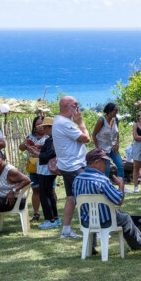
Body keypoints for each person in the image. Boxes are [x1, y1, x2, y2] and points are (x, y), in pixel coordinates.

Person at [73, 149, 141, 254]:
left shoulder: (77, 179)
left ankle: (91, 247)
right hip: (105, 221)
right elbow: (119, 201)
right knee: (126, 218)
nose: (106, 166)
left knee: (93, 214)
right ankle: (139, 243)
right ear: (96, 162)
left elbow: (77, 202)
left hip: (86, 220)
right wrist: (121, 185)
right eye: (104, 162)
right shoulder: (102, 180)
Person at [53, 96, 90, 239]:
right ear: (68, 106)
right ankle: (93, 230)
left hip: (67, 165)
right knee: (85, 198)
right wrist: (81, 123)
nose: (78, 108)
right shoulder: (65, 123)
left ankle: (66, 231)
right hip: (74, 166)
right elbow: (86, 138)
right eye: (76, 105)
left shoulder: (61, 121)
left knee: (71, 198)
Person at [19, 115, 47, 222]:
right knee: (36, 190)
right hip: (33, 167)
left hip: (46, 167)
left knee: (49, 190)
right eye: (38, 124)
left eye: (42, 124)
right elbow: (21, 148)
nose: (40, 127)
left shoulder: (49, 137)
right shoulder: (30, 136)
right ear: (34, 126)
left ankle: (51, 213)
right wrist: (25, 143)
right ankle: (36, 214)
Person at [92, 103, 125, 185]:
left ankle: (122, 185)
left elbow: (117, 133)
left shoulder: (115, 120)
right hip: (103, 148)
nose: (116, 112)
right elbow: (94, 134)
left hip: (113, 148)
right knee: (106, 168)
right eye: (115, 110)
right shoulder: (101, 120)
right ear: (109, 111)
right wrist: (98, 149)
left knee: (120, 165)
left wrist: (117, 144)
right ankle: (105, 186)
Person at [36, 117, 60, 229]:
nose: (43, 128)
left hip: (45, 171)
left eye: (45, 126)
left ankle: (50, 220)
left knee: (44, 195)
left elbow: (49, 155)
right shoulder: (54, 138)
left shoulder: (51, 139)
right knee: (49, 193)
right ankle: (55, 217)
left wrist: (36, 152)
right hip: (48, 171)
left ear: (51, 127)